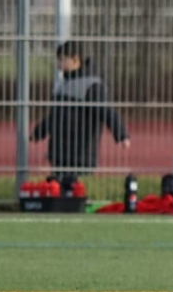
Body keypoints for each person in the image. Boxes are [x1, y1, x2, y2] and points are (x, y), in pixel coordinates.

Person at [31, 40, 129, 192]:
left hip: (80, 153)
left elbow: (106, 111)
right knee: (58, 190)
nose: (59, 64)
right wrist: (39, 132)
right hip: (59, 151)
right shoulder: (61, 85)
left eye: (62, 59)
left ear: (76, 60)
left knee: (76, 190)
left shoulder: (92, 85)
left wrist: (121, 134)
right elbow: (54, 116)